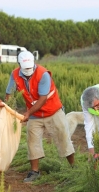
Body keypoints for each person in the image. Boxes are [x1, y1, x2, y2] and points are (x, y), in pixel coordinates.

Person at [4, 51, 75, 183]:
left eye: (30, 67)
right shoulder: (15, 75)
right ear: (19, 65)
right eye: (25, 68)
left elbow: (42, 99)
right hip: (35, 115)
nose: (28, 70)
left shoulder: (43, 74)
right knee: (32, 141)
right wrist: (7, 111)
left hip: (53, 111)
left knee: (63, 137)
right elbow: (9, 94)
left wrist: (27, 113)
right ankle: (34, 172)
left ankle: (73, 168)